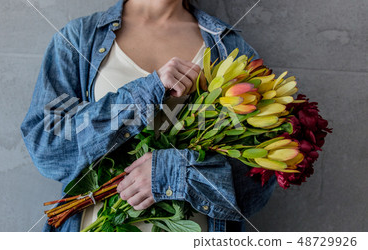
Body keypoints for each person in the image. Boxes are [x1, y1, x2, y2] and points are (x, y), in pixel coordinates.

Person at [21, 0, 276, 232]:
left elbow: (257, 185)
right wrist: (143, 94)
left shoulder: (230, 47)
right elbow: (48, 149)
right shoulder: (78, 38)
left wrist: (176, 172)